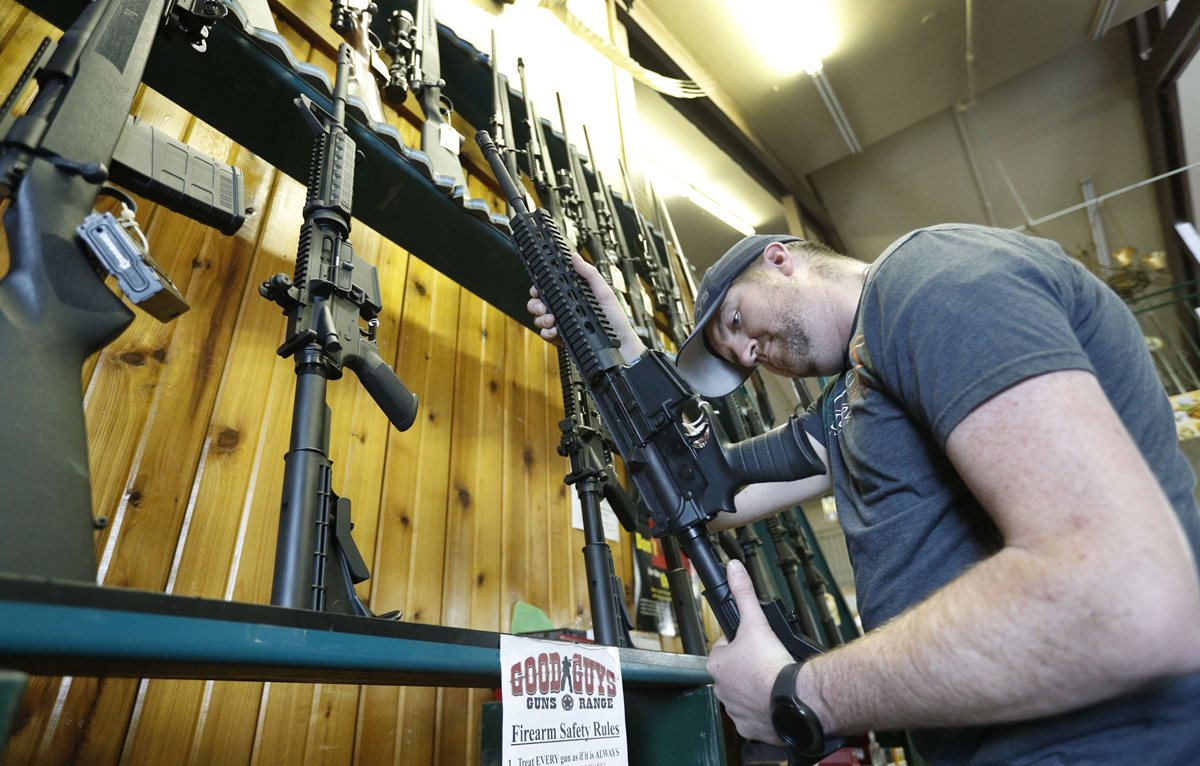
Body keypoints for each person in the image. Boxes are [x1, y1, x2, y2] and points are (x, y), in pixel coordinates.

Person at [528, 224, 1200, 764]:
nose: (748, 352)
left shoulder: (929, 282)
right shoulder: (848, 399)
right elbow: (707, 492)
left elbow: (1122, 592)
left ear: (779, 260)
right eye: (735, 359)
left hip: (1115, 742)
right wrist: (611, 343)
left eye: (735, 320)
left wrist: (798, 694)